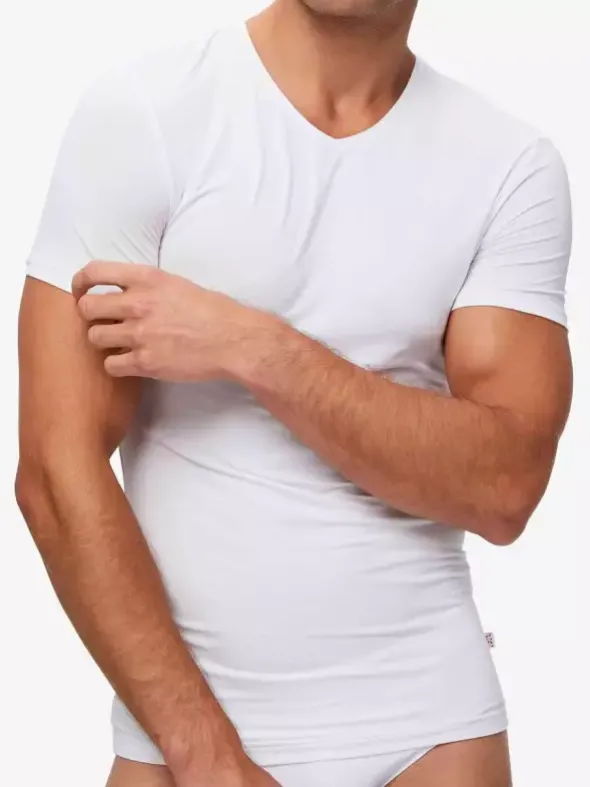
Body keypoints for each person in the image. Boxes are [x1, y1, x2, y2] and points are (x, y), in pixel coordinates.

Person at [16, 0, 573, 785]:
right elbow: (54, 470)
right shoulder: (149, 112)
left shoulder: (508, 165)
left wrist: (256, 348)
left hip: (431, 737)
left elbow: (505, 485)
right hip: (182, 749)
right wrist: (210, 756)